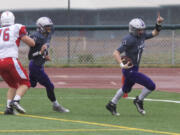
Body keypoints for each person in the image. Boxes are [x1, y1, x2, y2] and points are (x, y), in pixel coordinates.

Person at [106, 13, 164, 116]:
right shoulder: (129, 39)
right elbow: (116, 52)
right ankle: (139, 100)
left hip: (135, 67)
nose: (141, 31)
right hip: (129, 69)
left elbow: (154, 33)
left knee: (126, 89)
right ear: (133, 29)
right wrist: (121, 64)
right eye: (139, 30)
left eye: (142, 29)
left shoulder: (141, 36)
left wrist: (158, 24)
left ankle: (112, 104)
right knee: (151, 85)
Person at [28, 17, 70, 113]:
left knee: (29, 84)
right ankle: (56, 105)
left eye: (50, 27)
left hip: (37, 65)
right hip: (35, 66)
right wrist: (40, 52)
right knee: (50, 86)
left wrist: (45, 55)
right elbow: (30, 56)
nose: (49, 29)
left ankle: (13, 101)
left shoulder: (47, 34)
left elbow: (44, 48)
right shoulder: (36, 37)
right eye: (47, 27)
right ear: (40, 27)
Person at [0, 11, 35, 115]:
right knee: (26, 83)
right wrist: (33, 41)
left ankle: (8, 108)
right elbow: (31, 43)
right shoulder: (17, 27)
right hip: (10, 60)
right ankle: (15, 101)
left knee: (13, 85)